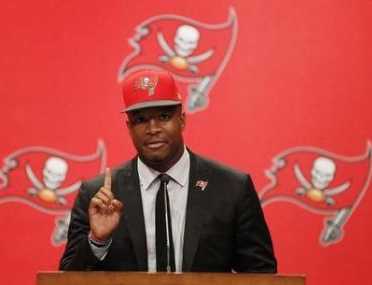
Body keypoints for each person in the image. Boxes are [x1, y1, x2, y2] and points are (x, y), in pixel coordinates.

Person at [59, 69, 277, 273]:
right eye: (140, 120)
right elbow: (65, 280)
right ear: (129, 128)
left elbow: (262, 274)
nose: (153, 129)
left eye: (164, 116)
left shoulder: (231, 188)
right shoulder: (97, 194)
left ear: (182, 120)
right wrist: (98, 241)